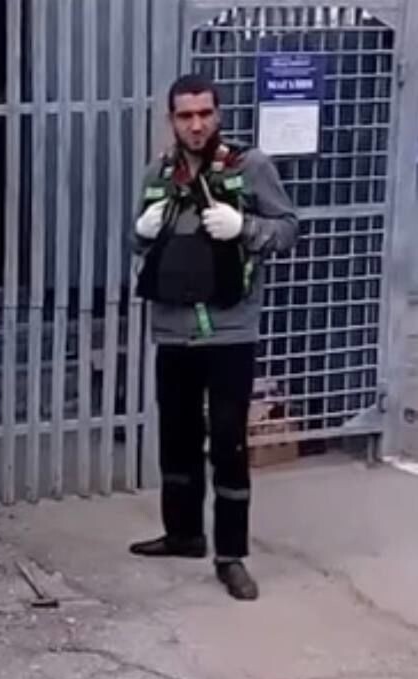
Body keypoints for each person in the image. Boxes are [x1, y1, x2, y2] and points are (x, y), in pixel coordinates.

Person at [128, 74, 298, 600]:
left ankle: (231, 556)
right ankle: (183, 534)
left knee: (227, 443)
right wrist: (140, 232)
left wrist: (245, 228)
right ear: (171, 120)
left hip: (229, 331)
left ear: (218, 115)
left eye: (204, 113)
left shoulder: (250, 167)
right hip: (173, 330)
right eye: (185, 115)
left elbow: (288, 228)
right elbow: (140, 244)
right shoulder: (159, 173)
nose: (196, 124)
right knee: (176, 439)